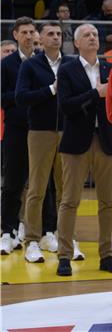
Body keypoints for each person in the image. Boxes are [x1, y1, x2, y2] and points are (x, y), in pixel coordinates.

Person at [55, 24, 112, 277]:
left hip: (106, 141)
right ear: (76, 43)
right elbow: (66, 106)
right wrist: (95, 93)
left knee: (108, 202)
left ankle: (107, 254)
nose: (92, 38)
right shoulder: (67, 69)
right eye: (87, 35)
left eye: (95, 35)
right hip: (76, 142)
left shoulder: (111, 69)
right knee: (70, 200)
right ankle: (64, 255)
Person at [15, 22, 73, 264]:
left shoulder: (71, 64)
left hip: (67, 131)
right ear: (41, 37)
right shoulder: (30, 66)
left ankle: (65, 239)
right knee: (36, 188)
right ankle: (31, 241)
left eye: (59, 34)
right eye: (50, 34)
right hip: (39, 131)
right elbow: (21, 98)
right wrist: (51, 89)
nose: (56, 37)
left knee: (65, 191)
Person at [0, 18, 36, 255]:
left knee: (42, 184)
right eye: (24, 32)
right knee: (12, 181)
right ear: (15, 34)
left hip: (41, 128)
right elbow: (3, 98)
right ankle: (7, 230)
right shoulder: (6, 64)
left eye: (32, 31)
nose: (29, 35)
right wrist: (27, 95)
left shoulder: (43, 61)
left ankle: (40, 232)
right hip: (15, 127)